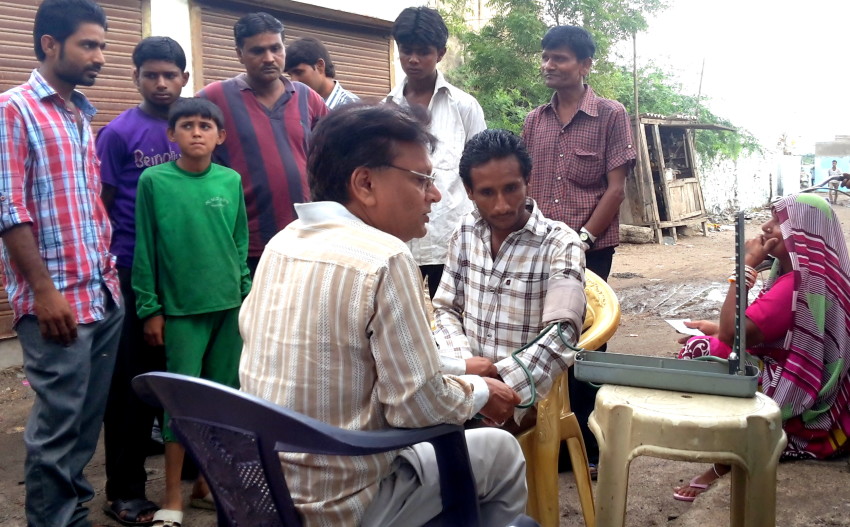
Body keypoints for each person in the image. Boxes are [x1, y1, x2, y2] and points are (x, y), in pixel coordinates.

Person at [239, 103, 527, 527]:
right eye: (422, 179)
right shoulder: (385, 258)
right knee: (501, 453)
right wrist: (484, 391)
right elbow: (415, 406)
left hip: (266, 491)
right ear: (366, 183)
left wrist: (459, 366)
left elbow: (345, 353)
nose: (435, 194)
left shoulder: (284, 243)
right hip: (342, 504)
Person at [0, 1, 124, 526]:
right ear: (50, 44)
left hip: (102, 293)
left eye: (101, 44)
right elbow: (9, 208)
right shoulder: (14, 109)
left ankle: (72, 513)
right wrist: (44, 292)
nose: (100, 56)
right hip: (59, 301)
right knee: (56, 427)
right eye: (88, 45)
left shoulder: (78, 114)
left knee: (84, 423)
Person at [672, 193, 850, 502]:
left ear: (804, 233)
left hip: (796, 388)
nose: (766, 228)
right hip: (809, 380)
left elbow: (732, 333)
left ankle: (727, 458)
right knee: (708, 338)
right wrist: (716, 328)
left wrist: (744, 266)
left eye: (779, 221)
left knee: (700, 349)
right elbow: (769, 331)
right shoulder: (814, 278)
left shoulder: (795, 286)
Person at [521, 24, 635, 470]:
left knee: (587, 342)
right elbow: (527, 189)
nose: (549, 65)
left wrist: (581, 239)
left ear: (585, 65)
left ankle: (586, 444)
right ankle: (546, 436)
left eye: (561, 58)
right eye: (546, 56)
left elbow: (615, 189)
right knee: (541, 337)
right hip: (541, 249)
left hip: (591, 249)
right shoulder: (534, 121)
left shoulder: (610, 114)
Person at [133, 98, 251, 527]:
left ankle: (207, 485)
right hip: (181, 310)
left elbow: (239, 243)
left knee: (222, 398)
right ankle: (171, 498)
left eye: (205, 125)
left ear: (220, 136)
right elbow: (145, 248)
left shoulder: (230, 180)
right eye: (187, 125)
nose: (197, 132)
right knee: (180, 403)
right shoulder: (154, 180)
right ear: (172, 134)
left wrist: (245, 292)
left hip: (229, 309)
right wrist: (150, 308)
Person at [433, 129, 586, 430]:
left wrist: (500, 381)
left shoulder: (560, 243)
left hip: (524, 395)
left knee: (464, 448)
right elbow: (445, 309)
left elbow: (563, 332)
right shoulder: (465, 233)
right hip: (464, 383)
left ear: (528, 181)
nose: (501, 205)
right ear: (469, 190)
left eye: (511, 188)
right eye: (487, 193)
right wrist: (467, 370)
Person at [96, 35, 189, 526]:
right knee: (131, 383)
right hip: (134, 271)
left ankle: (195, 478)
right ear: (136, 78)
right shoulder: (117, 134)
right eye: (150, 74)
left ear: (184, 79)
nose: (160, 83)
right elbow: (101, 206)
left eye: (169, 74)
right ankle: (125, 490)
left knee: (185, 376)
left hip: (187, 274)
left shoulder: (195, 129)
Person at [197, 12, 328, 274]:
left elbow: (334, 157)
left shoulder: (308, 98)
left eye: (275, 48)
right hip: (244, 244)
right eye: (258, 50)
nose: (269, 58)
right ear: (239, 53)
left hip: (304, 239)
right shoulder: (214, 98)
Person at [385, 6, 486, 298]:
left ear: (440, 53)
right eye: (406, 51)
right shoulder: (386, 110)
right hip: (402, 241)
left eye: (423, 51)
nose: (413, 59)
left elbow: (480, 171)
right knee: (402, 323)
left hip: (452, 239)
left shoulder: (464, 106)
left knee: (454, 320)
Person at [284, 36, 359, 109]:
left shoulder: (351, 108)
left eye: (299, 72)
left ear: (320, 65)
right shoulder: (299, 106)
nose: (293, 81)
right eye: (290, 75)